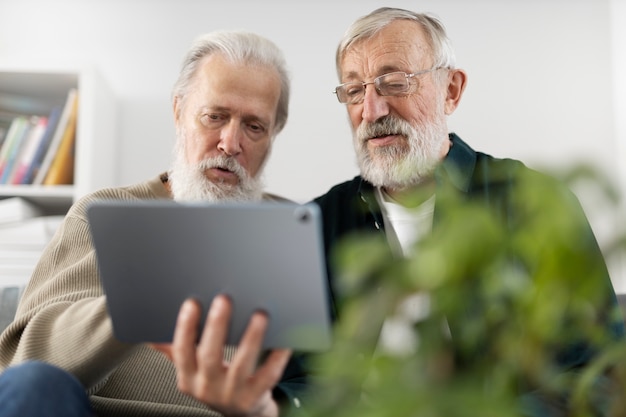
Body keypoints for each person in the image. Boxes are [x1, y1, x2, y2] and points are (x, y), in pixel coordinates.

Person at [312, 6, 625, 416]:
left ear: (451, 90)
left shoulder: (534, 201)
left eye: (394, 82)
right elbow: (296, 377)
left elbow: (600, 372)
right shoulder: (318, 221)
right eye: (354, 91)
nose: (371, 111)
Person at [0, 30, 307, 417]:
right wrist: (152, 289)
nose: (230, 143)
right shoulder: (102, 212)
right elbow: (24, 365)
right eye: (215, 117)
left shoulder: (295, 232)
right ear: (179, 111)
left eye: (254, 126)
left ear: (273, 134)